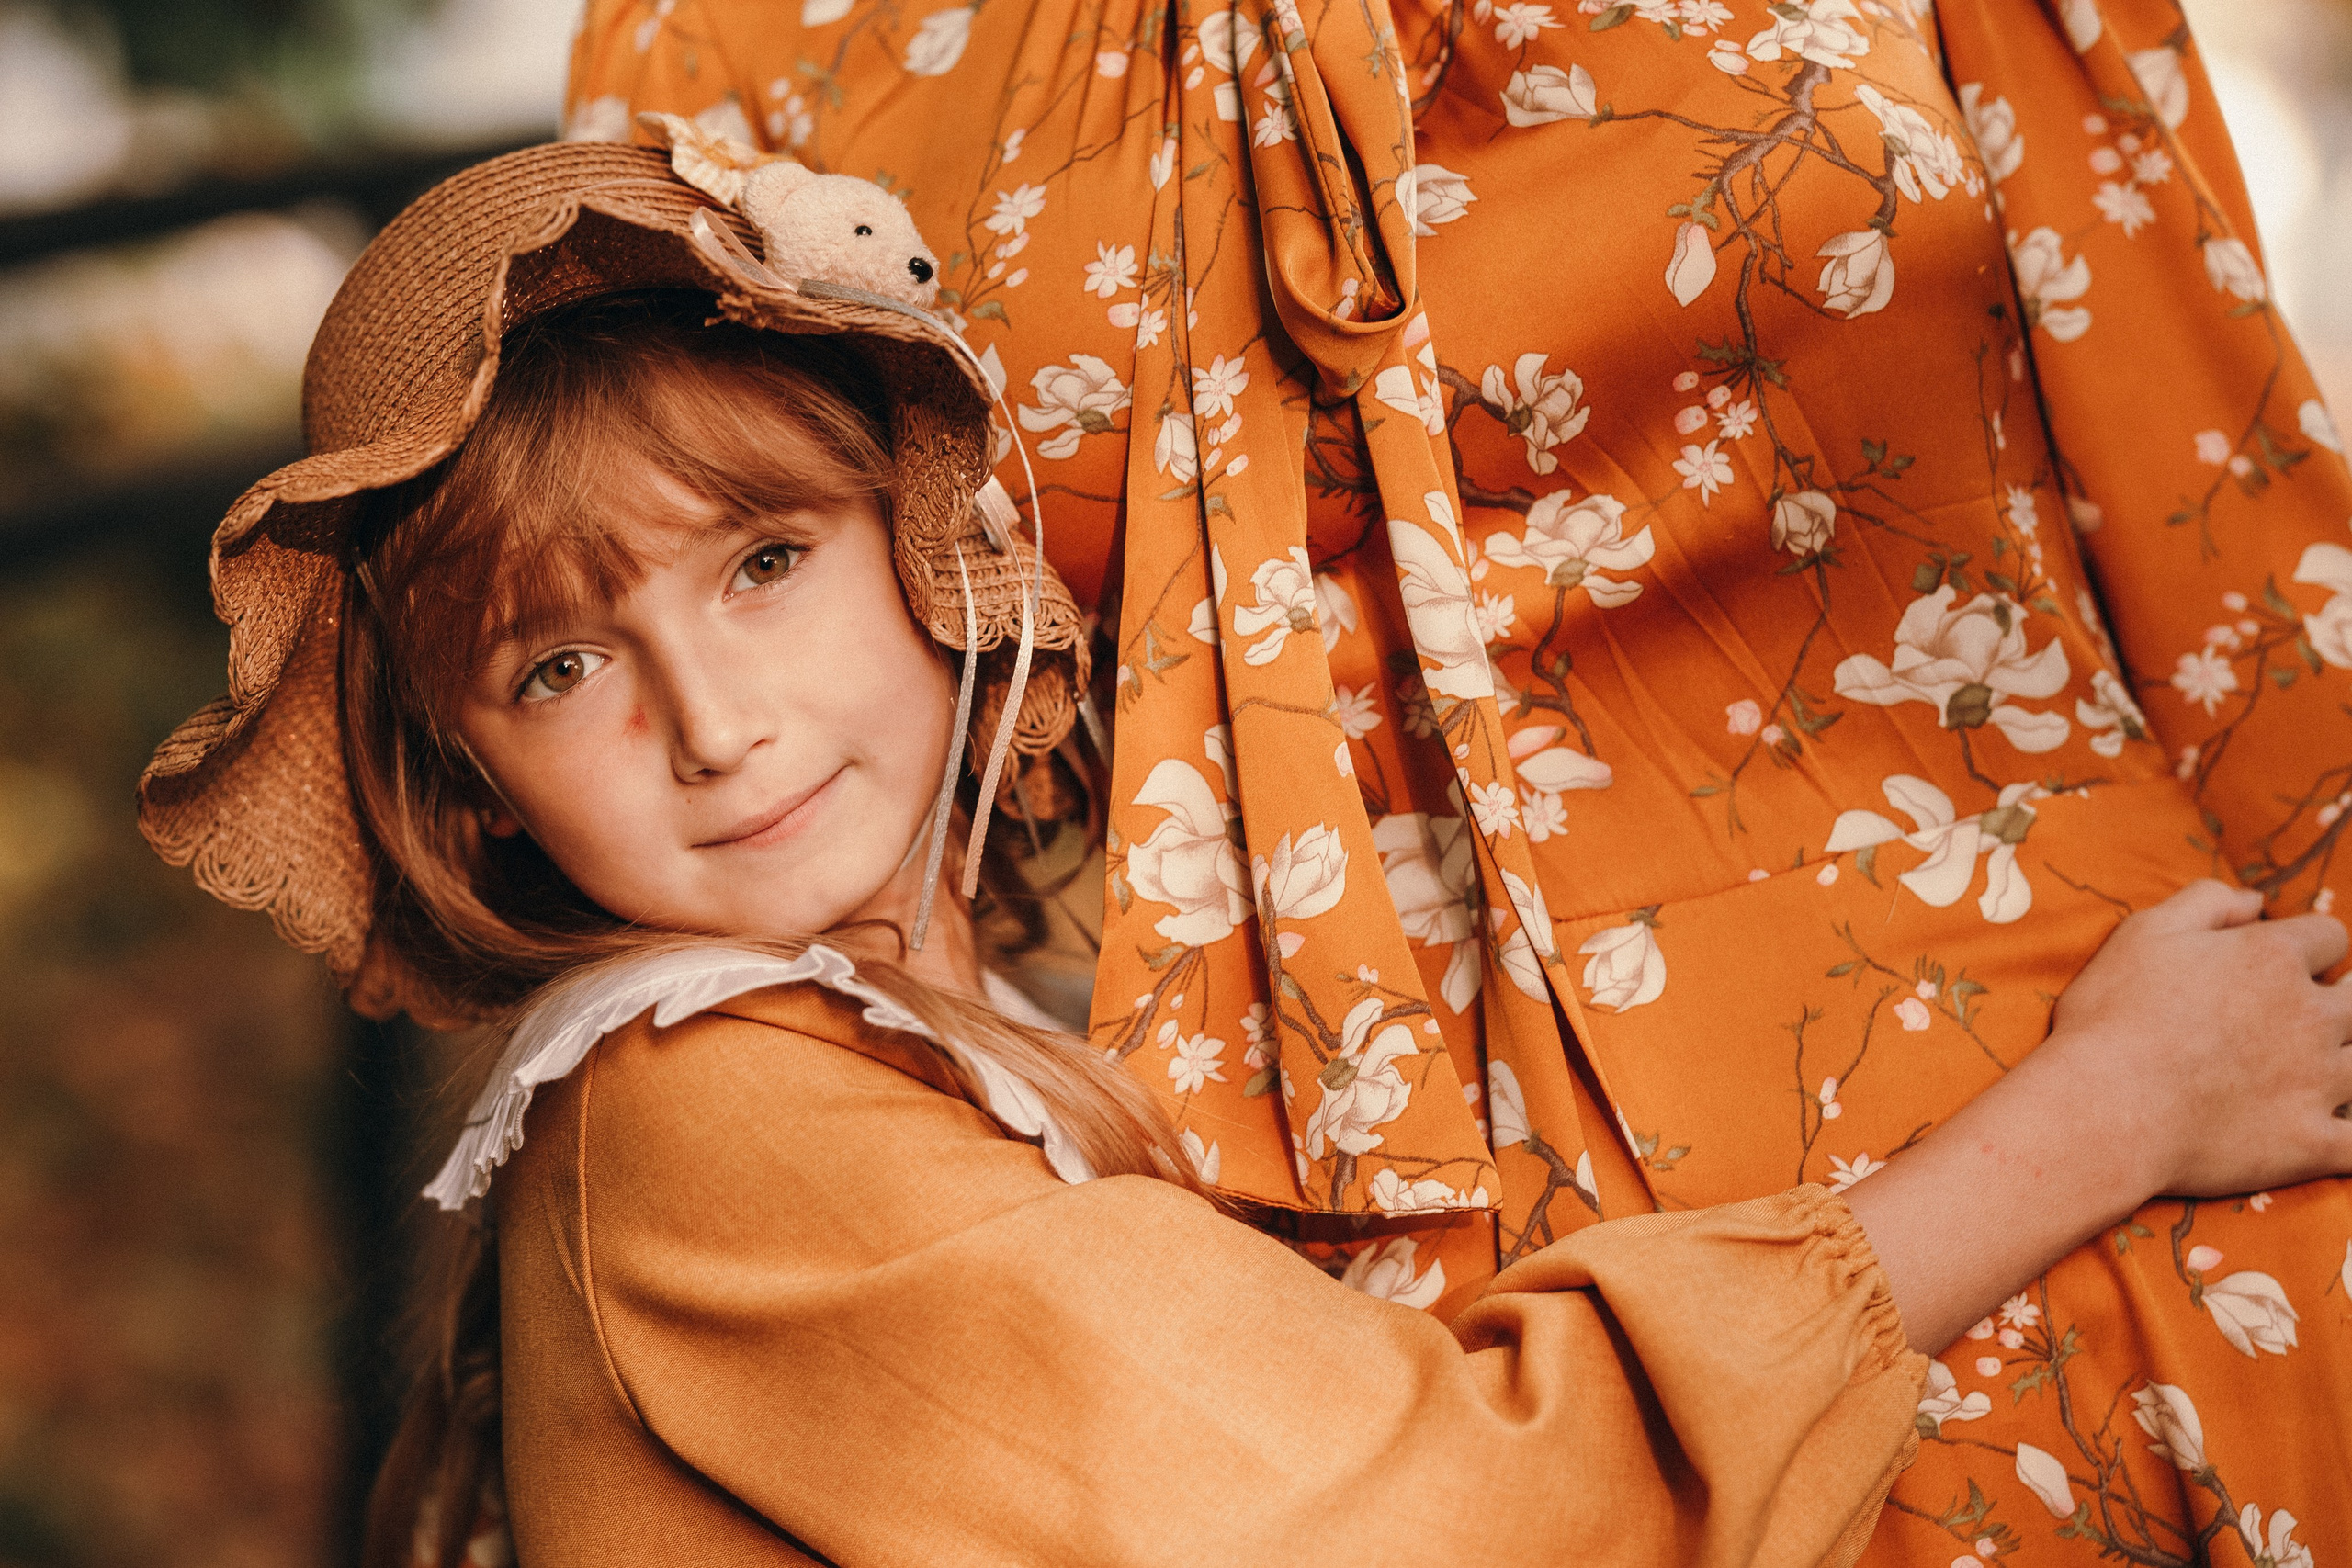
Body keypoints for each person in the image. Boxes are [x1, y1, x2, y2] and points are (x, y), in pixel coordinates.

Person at [137, 141, 2352, 1566]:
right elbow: (1408, 1518)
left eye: (756, 561)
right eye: (553, 667)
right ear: (468, 787)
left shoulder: (890, 1053)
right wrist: (2101, 1113)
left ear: (924, 542)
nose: (711, 723)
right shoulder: (702, 1104)